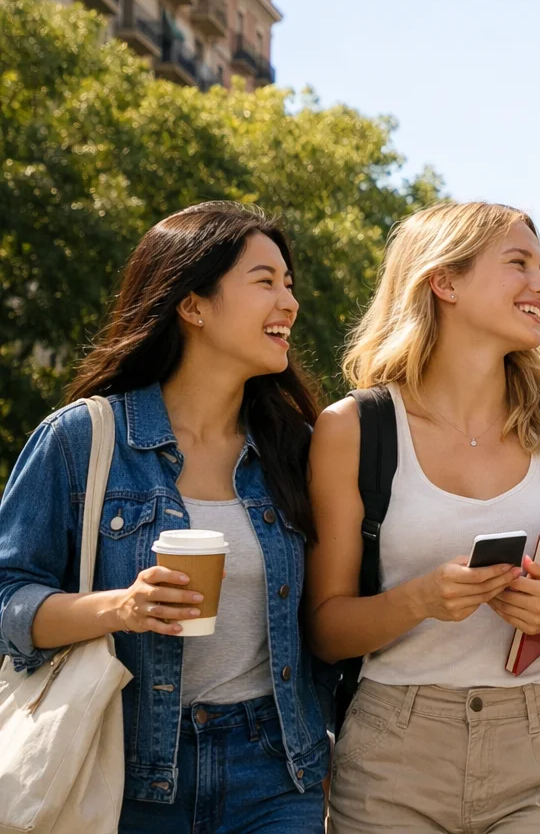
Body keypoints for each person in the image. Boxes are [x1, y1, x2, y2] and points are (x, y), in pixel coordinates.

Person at [0, 202, 331, 832]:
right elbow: (5, 597)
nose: (288, 303)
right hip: (120, 769)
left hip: (276, 766)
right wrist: (119, 608)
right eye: (265, 282)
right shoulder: (83, 439)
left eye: (289, 285)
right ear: (193, 304)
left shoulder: (300, 448)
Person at [305, 201, 540, 834]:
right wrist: (419, 598)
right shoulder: (353, 429)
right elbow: (325, 630)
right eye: (518, 264)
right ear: (444, 282)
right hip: (395, 750)